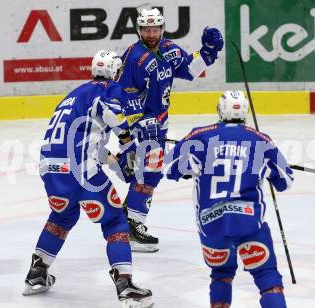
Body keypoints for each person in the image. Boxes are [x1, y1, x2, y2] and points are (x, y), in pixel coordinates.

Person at [22, 50, 153, 308]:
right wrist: (128, 145)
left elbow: (81, 139)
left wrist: (112, 159)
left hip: (51, 168)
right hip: (80, 170)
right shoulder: (109, 89)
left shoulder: (73, 96)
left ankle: (36, 274)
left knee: (62, 216)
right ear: (114, 72)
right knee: (115, 221)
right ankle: (125, 286)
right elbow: (113, 114)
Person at [164, 90, 294, 307]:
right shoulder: (261, 140)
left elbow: (170, 168)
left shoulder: (199, 135)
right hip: (249, 222)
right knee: (267, 279)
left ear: (220, 110)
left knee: (221, 273)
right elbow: (285, 181)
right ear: (245, 112)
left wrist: (192, 168)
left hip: (211, 223)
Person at [118, 7, 224, 252]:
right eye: (146, 29)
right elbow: (124, 93)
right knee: (148, 174)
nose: (151, 33)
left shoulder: (170, 49)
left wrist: (208, 53)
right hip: (141, 126)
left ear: (162, 28)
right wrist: (141, 123)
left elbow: (188, 69)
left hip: (160, 122)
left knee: (148, 174)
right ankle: (133, 226)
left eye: (155, 28)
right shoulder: (133, 57)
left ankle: (129, 218)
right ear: (139, 30)